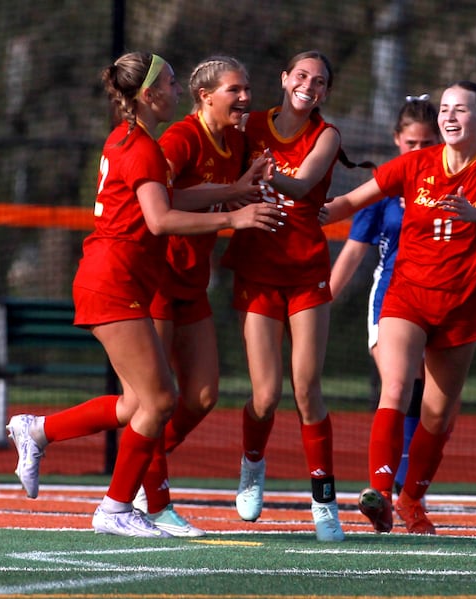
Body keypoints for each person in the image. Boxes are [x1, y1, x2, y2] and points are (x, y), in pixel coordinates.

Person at [5, 51, 283, 538]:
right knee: (158, 399)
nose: (178, 91)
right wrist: (232, 217)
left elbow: (169, 197)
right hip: (114, 280)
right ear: (150, 94)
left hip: (118, 279)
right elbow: (160, 219)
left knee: (138, 404)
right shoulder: (147, 147)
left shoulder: (128, 138)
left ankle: (37, 430)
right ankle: (117, 507)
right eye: (172, 83)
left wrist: (232, 190)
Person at [324, 81, 476, 534]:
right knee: (394, 388)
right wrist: (301, 201)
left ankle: (412, 500)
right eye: (445, 109)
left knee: (438, 414)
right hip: (407, 295)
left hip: (461, 305)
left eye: (461, 110)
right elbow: (350, 202)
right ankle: (379, 492)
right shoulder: (413, 163)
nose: (450, 117)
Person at [221, 50, 362, 542]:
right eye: (301, 76)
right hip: (257, 268)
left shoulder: (326, 135)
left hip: (305, 270)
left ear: (325, 91)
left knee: (306, 389)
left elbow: (302, 188)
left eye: (320, 81)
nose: (309, 85)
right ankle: (252, 467)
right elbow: (218, 160)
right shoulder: (250, 123)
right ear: (283, 79)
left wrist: (259, 176)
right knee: (265, 395)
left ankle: (324, 502)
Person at [131, 55, 269, 537]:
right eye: (235, 90)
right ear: (205, 96)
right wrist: (229, 197)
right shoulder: (179, 138)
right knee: (155, 400)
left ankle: (140, 465)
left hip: (192, 280)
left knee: (204, 395)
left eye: (247, 87)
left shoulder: (234, 141)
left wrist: (239, 192)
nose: (245, 97)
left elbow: (219, 193)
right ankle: (157, 500)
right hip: (158, 278)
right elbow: (159, 203)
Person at [329, 95, 440, 500]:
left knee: (433, 397)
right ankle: (387, 480)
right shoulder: (386, 184)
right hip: (391, 297)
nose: (419, 152)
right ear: (397, 140)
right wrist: (322, 302)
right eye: (412, 143)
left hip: (438, 298)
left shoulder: (449, 182)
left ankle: (410, 485)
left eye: (428, 144)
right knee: (400, 381)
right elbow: (354, 250)